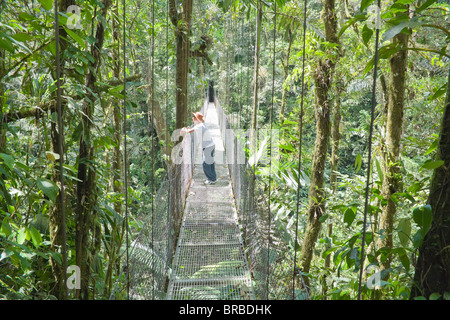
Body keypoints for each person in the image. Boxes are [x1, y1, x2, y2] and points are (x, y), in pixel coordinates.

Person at [181, 112, 217, 185]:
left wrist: (183, 129)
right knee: (210, 162)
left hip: (208, 147)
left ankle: (211, 179)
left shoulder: (199, 126)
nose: (192, 118)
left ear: (197, 119)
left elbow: (189, 131)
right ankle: (213, 178)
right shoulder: (201, 125)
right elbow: (191, 129)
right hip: (211, 145)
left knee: (205, 164)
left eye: (194, 117)